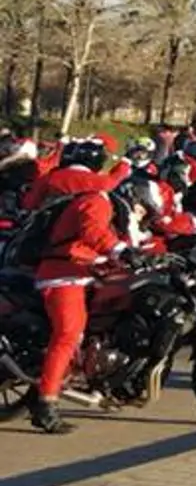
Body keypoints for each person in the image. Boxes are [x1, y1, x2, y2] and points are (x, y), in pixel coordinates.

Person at [19, 139, 128, 433]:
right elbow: (92, 231)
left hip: (75, 267)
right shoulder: (94, 196)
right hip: (65, 272)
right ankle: (46, 402)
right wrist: (120, 249)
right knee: (68, 334)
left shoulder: (53, 180)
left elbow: (29, 203)